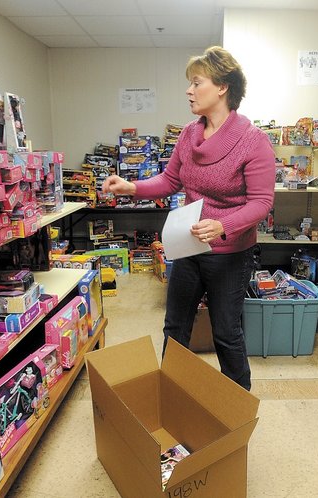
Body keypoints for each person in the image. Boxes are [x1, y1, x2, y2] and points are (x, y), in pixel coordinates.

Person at [102, 46, 274, 391]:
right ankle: (174, 399)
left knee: (226, 333)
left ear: (222, 87)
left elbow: (262, 203)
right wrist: (130, 187)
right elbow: (169, 181)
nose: (188, 90)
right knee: (175, 328)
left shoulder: (253, 141)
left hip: (230, 254)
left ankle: (235, 408)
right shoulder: (188, 134)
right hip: (188, 248)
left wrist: (223, 225)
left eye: (197, 82)